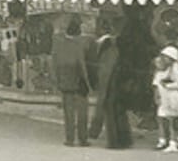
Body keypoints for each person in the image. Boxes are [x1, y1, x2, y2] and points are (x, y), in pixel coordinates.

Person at [88, 22, 131, 149]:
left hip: (109, 85)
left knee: (110, 112)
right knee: (120, 113)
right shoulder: (118, 48)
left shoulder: (107, 48)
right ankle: (124, 139)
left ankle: (114, 141)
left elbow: (105, 72)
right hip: (118, 84)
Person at [52, 16, 91, 146]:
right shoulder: (79, 45)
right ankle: (83, 139)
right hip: (79, 82)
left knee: (68, 113)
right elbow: (82, 66)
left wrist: (57, 82)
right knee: (82, 113)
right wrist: (88, 83)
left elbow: (55, 65)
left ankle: (69, 139)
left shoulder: (59, 45)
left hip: (65, 82)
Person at [152, 45, 178, 153]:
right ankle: (173, 142)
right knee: (172, 120)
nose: (164, 59)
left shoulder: (176, 68)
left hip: (176, 98)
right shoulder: (169, 68)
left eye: (166, 57)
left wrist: (166, 85)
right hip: (169, 98)